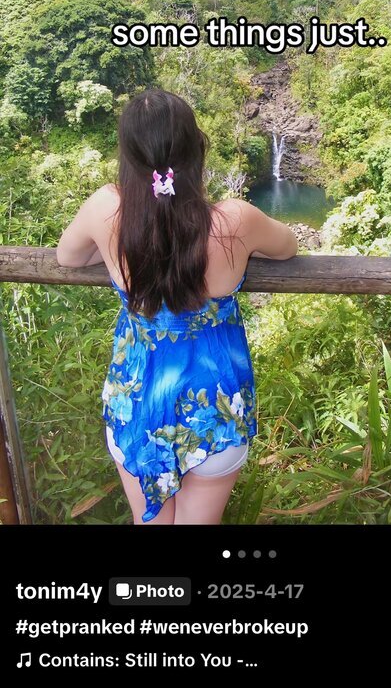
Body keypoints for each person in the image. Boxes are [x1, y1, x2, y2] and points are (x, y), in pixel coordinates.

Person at [56, 89, 297, 526]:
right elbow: (288, 246)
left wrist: (112, 249)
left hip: (138, 401)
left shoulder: (106, 209)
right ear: (196, 149)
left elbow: (68, 256)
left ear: (127, 155)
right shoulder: (235, 220)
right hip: (215, 406)